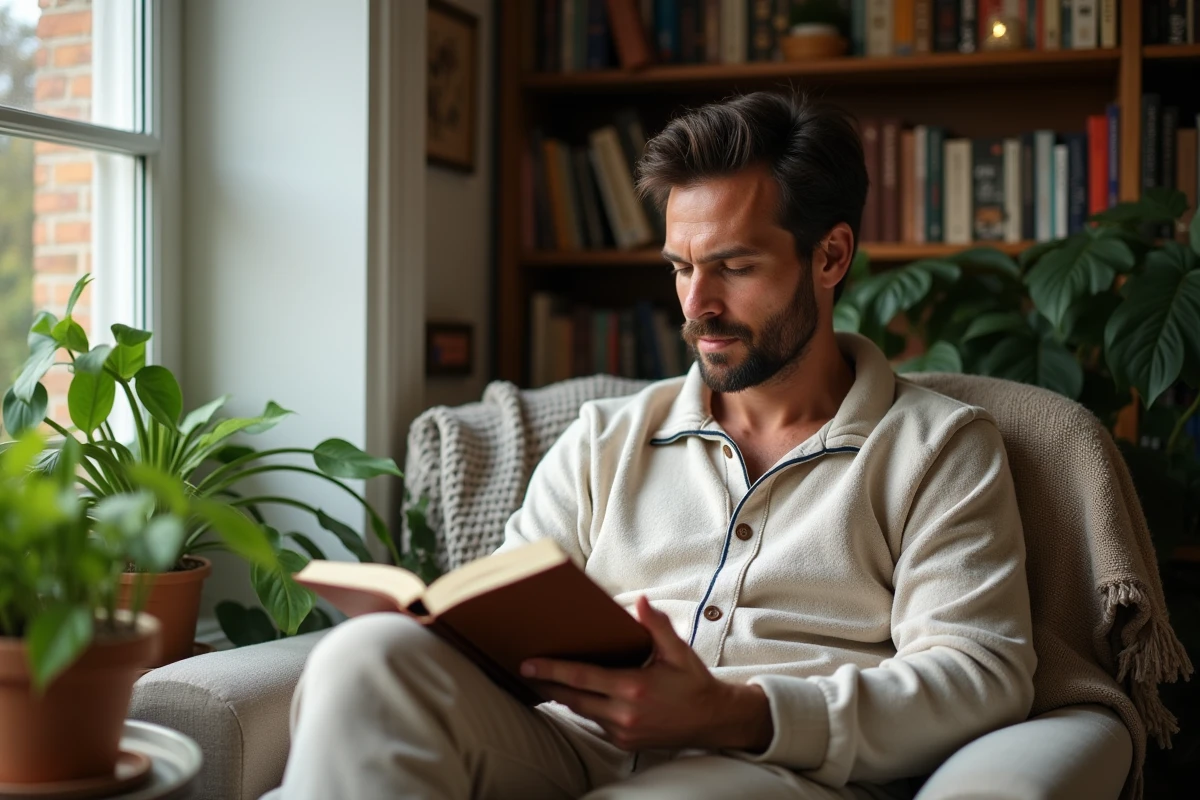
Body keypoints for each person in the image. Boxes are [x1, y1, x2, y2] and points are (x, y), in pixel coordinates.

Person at [272, 92, 1036, 800]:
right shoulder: (604, 438)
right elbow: (505, 621)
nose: (697, 306)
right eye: (681, 268)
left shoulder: (939, 449)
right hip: (571, 745)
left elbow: (980, 673)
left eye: (734, 267)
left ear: (830, 257)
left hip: (769, 766)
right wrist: (451, 636)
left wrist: (738, 713)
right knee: (362, 661)